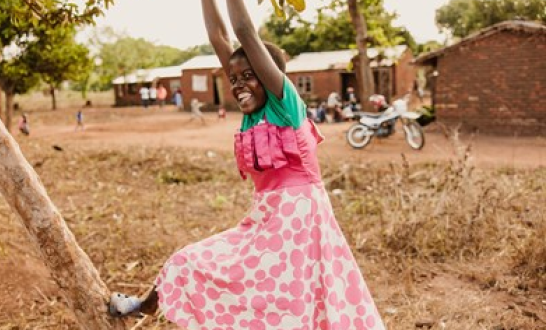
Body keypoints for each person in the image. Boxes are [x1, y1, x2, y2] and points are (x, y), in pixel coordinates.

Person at [108, 0, 385, 329]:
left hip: (302, 226)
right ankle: (148, 305)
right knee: (191, 261)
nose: (238, 84)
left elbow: (242, 32)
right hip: (265, 222)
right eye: (233, 78)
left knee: (295, 303)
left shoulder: (286, 106)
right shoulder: (251, 115)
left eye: (249, 76)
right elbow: (219, 36)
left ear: (270, 76)